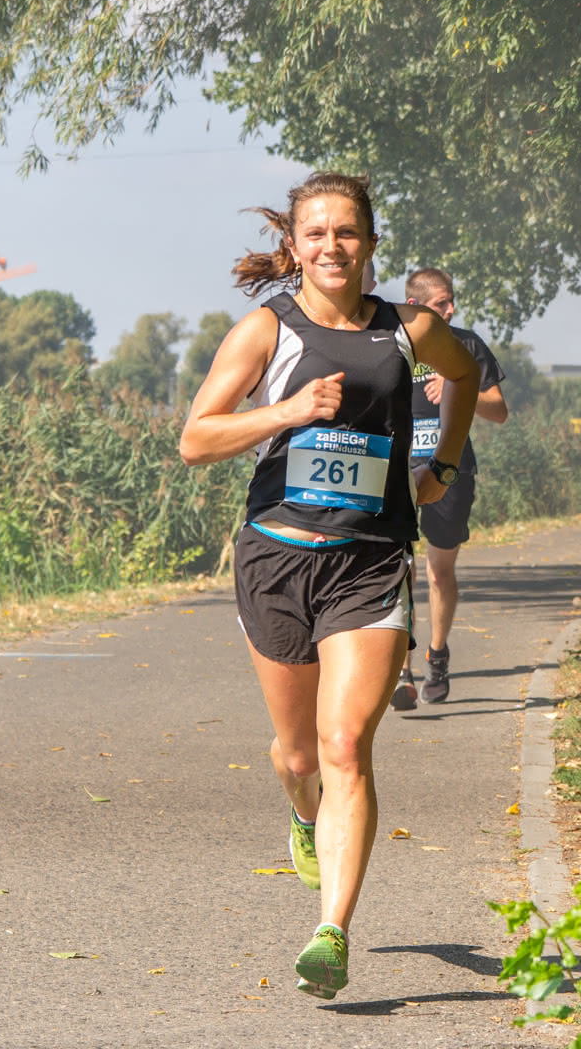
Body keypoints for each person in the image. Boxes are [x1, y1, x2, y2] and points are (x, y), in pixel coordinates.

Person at [179, 173, 477, 1000]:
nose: (332, 247)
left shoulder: (409, 331)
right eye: (316, 234)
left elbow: (466, 374)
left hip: (371, 559)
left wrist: (441, 465)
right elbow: (197, 439)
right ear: (295, 246)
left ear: (372, 244)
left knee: (346, 744)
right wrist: (287, 411)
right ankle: (303, 815)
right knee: (299, 753)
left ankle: (331, 930)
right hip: (277, 557)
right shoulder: (267, 331)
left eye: (347, 233)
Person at [390, 268, 508, 710]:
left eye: (452, 300)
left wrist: (464, 387)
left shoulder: (467, 345)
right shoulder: (392, 344)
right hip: (398, 468)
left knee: (439, 570)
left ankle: (436, 656)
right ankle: (401, 669)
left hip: (449, 467)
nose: (451, 309)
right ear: (417, 305)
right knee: (398, 567)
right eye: (442, 303)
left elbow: (499, 411)